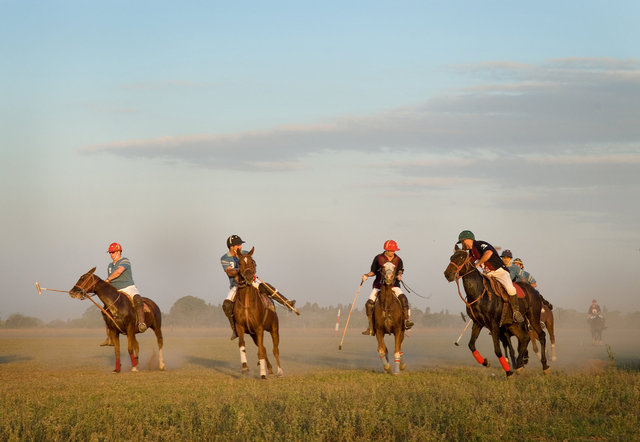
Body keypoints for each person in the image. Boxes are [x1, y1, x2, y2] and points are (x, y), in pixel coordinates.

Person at [220, 235, 296, 340]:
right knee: (226, 305)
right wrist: (240, 271)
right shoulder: (225, 258)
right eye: (238, 244)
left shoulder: (246, 253)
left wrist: (251, 271)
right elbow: (229, 271)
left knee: (267, 287)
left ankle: (287, 303)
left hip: (250, 281)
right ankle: (235, 330)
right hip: (237, 285)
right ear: (231, 246)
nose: (240, 246)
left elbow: (253, 265)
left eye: (241, 244)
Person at [458, 231, 524, 323]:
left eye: (462, 242)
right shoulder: (471, 252)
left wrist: (478, 263)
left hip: (499, 271)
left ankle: (516, 312)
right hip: (488, 274)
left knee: (510, 289)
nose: (462, 244)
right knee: (479, 290)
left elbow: (488, 253)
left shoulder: (480, 244)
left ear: (467, 240)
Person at [361, 240, 414, 335]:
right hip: (379, 285)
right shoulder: (378, 258)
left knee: (404, 299)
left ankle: (406, 321)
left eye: (394, 250)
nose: (393, 252)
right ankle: (371, 327)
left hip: (394, 285)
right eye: (391, 250)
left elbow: (400, 270)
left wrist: (399, 275)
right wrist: (366, 275)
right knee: (369, 304)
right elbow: (373, 271)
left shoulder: (398, 259)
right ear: (386, 250)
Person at [100, 243, 146, 344]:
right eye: (110, 253)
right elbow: (111, 281)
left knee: (138, 299)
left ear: (119, 251)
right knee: (105, 310)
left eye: (113, 252)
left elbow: (119, 271)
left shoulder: (125, 261)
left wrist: (107, 279)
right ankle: (110, 337)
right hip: (116, 291)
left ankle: (141, 323)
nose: (111, 254)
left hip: (128, 288)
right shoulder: (110, 265)